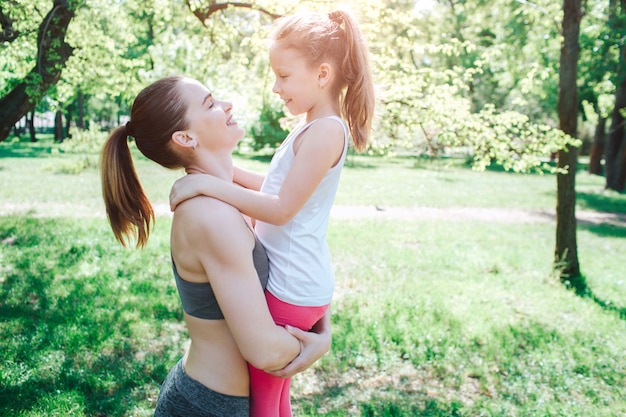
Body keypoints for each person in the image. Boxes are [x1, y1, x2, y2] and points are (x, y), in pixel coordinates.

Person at [169, 8, 375, 417]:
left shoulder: (326, 130)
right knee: (278, 399)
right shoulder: (311, 127)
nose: (276, 87)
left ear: (322, 74)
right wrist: (224, 175)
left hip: (290, 285)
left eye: (284, 75)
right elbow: (275, 189)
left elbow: (280, 209)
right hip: (302, 281)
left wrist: (207, 184)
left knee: (264, 402)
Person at [99, 75, 331, 417]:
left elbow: (288, 212)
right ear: (185, 137)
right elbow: (265, 351)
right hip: (211, 406)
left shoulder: (224, 195)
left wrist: (321, 327)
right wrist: (320, 343)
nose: (227, 105)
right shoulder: (210, 216)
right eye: (210, 104)